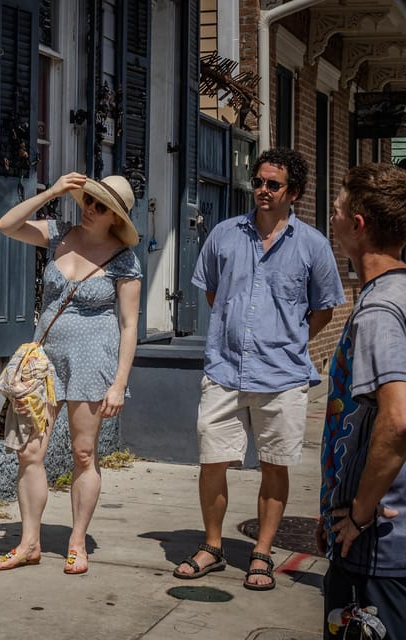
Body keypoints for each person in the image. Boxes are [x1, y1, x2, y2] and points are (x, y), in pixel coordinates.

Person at [173, 147, 345, 590]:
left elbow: (323, 308)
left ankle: (262, 552)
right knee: (213, 461)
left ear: (296, 193)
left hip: (283, 376)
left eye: (274, 184)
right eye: (259, 181)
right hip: (225, 370)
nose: (263, 190)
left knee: (274, 465)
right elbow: (214, 293)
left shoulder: (313, 246)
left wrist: (288, 342)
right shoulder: (225, 235)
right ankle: (211, 546)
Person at [0, 173, 142, 575]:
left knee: (83, 453)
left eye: (101, 206)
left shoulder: (124, 259)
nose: (90, 209)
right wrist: (54, 192)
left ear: (116, 218)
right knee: (29, 453)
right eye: (88, 201)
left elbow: (129, 325)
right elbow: (6, 225)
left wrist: (120, 383)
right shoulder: (59, 233)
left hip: (93, 362)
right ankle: (30, 542)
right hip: (43, 363)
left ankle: (77, 541)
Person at [318, 163, 406, 638]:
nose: (331, 220)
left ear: (358, 224)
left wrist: (358, 514)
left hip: (378, 550)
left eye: (335, 211)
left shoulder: (380, 311)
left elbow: (397, 423)